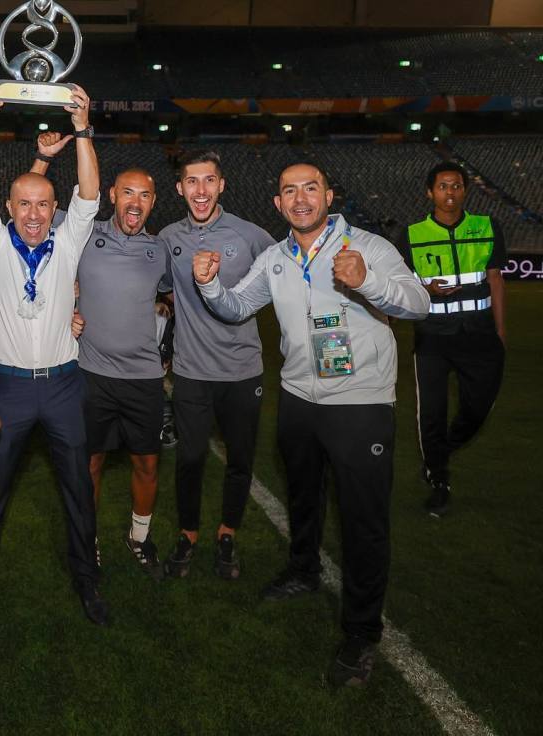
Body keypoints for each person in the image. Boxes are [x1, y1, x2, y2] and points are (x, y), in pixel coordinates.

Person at [192, 162, 429, 686]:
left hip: (360, 403)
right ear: (277, 203)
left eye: (311, 188)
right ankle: (303, 569)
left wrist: (368, 282)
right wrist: (209, 286)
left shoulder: (367, 246)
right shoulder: (276, 257)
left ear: (328, 194)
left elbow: (419, 303)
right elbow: (237, 308)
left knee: (363, 520)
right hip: (299, 398)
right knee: (303, 495)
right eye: (289, 191)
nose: (301, 199)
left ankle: (362, 630)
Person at [0, 79, 108, 625]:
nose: (36, 213)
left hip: (65, 383)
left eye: (44, 204)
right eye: (25, 203)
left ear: (53, 207)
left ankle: (88, 583)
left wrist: (83, 128)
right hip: (11, 386)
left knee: (78, 491)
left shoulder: (68, 239)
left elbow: (91, 194)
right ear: (9, 206)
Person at [33, 132, 171, 580]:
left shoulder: (161, 249)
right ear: (111, 195)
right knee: (90, 462)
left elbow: (187, 295)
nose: (135, 201)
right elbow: (27, 210)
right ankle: (87, 538)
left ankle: (138, 536)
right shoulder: (83, 233)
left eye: (145, 194)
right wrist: (42, 159)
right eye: (127, 192)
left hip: (145, 378)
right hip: (91, 373)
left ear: (153, 202)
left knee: (147, 462)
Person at [157, 151, 277, 581]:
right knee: (189, 458)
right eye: (192, 181)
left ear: (222, 185)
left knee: (240, 459)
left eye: (209, 181)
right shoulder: (169, 237)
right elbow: (154, 285)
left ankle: (228, 532)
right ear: (180, 188)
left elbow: (286, 271)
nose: (201, 190)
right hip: (191, 372)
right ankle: (188, 533)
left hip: (243, 372)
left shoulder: (250, 235)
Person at [400, 162, 506, 517]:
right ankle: (439, 480)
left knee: (478, 408)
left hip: (479, 334)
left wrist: (501, 331)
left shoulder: (487, 227)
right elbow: (401, 286)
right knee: (431, 413)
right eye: (443, 186)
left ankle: (442, 450)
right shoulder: (412, 234)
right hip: (432, 337)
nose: (451, 192)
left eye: (457, 186)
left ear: (465, 190)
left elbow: (495, 279)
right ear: (430, 192)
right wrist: (423, 287)